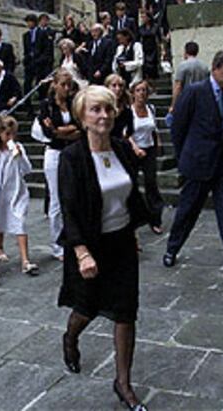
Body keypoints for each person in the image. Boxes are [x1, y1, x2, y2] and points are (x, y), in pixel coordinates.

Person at [57, 85, 149, 410]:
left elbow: (129, 195)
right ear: (82, 116)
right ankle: (70, 338)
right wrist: (81, 252)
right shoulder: (72, 158)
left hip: (121, 242)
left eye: (108, 109)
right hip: (89, 245)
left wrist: (135, 229)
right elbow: (68, 208)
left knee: (126, 312)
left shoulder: (122, 149)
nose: (104, 116)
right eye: (96, 109)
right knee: (87, 307)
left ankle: (123, 384)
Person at [162, 51, 223, 286]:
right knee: (188, 211)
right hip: (197, 164)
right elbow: (177, 128)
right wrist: (186, 157)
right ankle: (172, 249)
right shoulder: (195, 92)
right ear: (215, 69)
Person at [0, 116, 39, 275]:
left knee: (20, 222)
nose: (10, 137)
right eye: (6, 134)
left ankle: (25, 260)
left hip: (16, 190)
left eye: (12, 134)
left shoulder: (18, 148)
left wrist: (19, 156)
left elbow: (27, 169)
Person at [39, 69, 81, 261]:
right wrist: (62, 131)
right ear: (55, 85)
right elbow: (49, 132)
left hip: (72, 151)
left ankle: (74, 237)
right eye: (63, 85)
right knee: (56, 199)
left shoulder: (73, 104)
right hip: (55, 153)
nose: (66, 89)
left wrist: (61, 130)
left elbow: (79, 127)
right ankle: (57, 244)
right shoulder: (47, 106)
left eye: (69, 85)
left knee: (73, 195)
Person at [129, 80, 164, 234]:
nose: (142, 93)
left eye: (144, 90)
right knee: (132, 184)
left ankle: (155, 219)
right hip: (134, 150)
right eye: (138, 90)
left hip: (149, 149)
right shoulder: (129, 112)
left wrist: (159, 142)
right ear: (133, 93)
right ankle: (134, 218)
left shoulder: (151, 108)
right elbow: (126, 133)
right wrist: (135, 148)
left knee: (151, 183)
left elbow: (153, 128)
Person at [166, 41, 209, 127]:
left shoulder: (182, 66)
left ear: (185, 52)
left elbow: (178, 86)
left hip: (186, 101)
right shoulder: (205, 67)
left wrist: (173, 105)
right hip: (201, 102)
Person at [22, 13, 50, 117]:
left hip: (40, 64)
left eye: (30, 22)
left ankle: (43, 109)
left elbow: (46, 50)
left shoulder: (42, 33)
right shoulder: (26, 36)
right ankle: (28, 108)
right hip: (30, 64)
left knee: (41, 86)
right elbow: (26, 50)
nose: (28, 24)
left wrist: (40, 60)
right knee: (27, 85)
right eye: (27, 22)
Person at [104, 74, 133, 140]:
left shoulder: (126, 111)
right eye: (114, 85)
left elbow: (130, 130)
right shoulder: (102, 108)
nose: (118, 89)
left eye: (120, 86)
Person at [139, 10, 160, 80]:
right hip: (145, 48)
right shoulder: (141, 27)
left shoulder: (155, 26)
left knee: (153, 65)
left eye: (144, 17)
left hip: (153, 47)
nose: (143, 19)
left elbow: (156, 35)